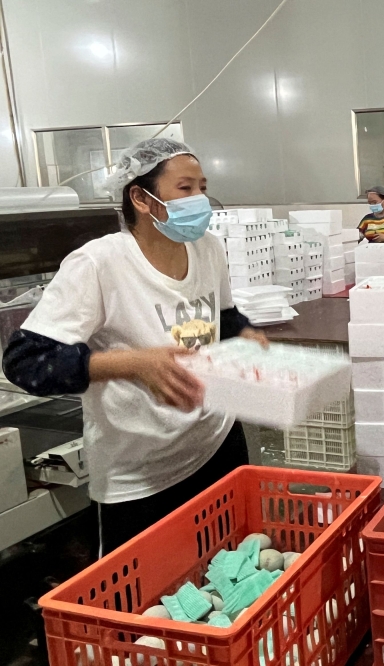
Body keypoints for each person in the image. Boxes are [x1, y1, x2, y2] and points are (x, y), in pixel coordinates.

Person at [1, 138, 268, 555]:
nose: (200, 199)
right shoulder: (99, 264)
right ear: (141, 198)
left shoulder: (208, 249)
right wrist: (130, 363)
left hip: (216, 442)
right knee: (150, 600)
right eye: (185, 188)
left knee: (230, 571)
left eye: (203, 187)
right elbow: (25, 362)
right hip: (140, 474)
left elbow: (223, 315)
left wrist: (245, 333)